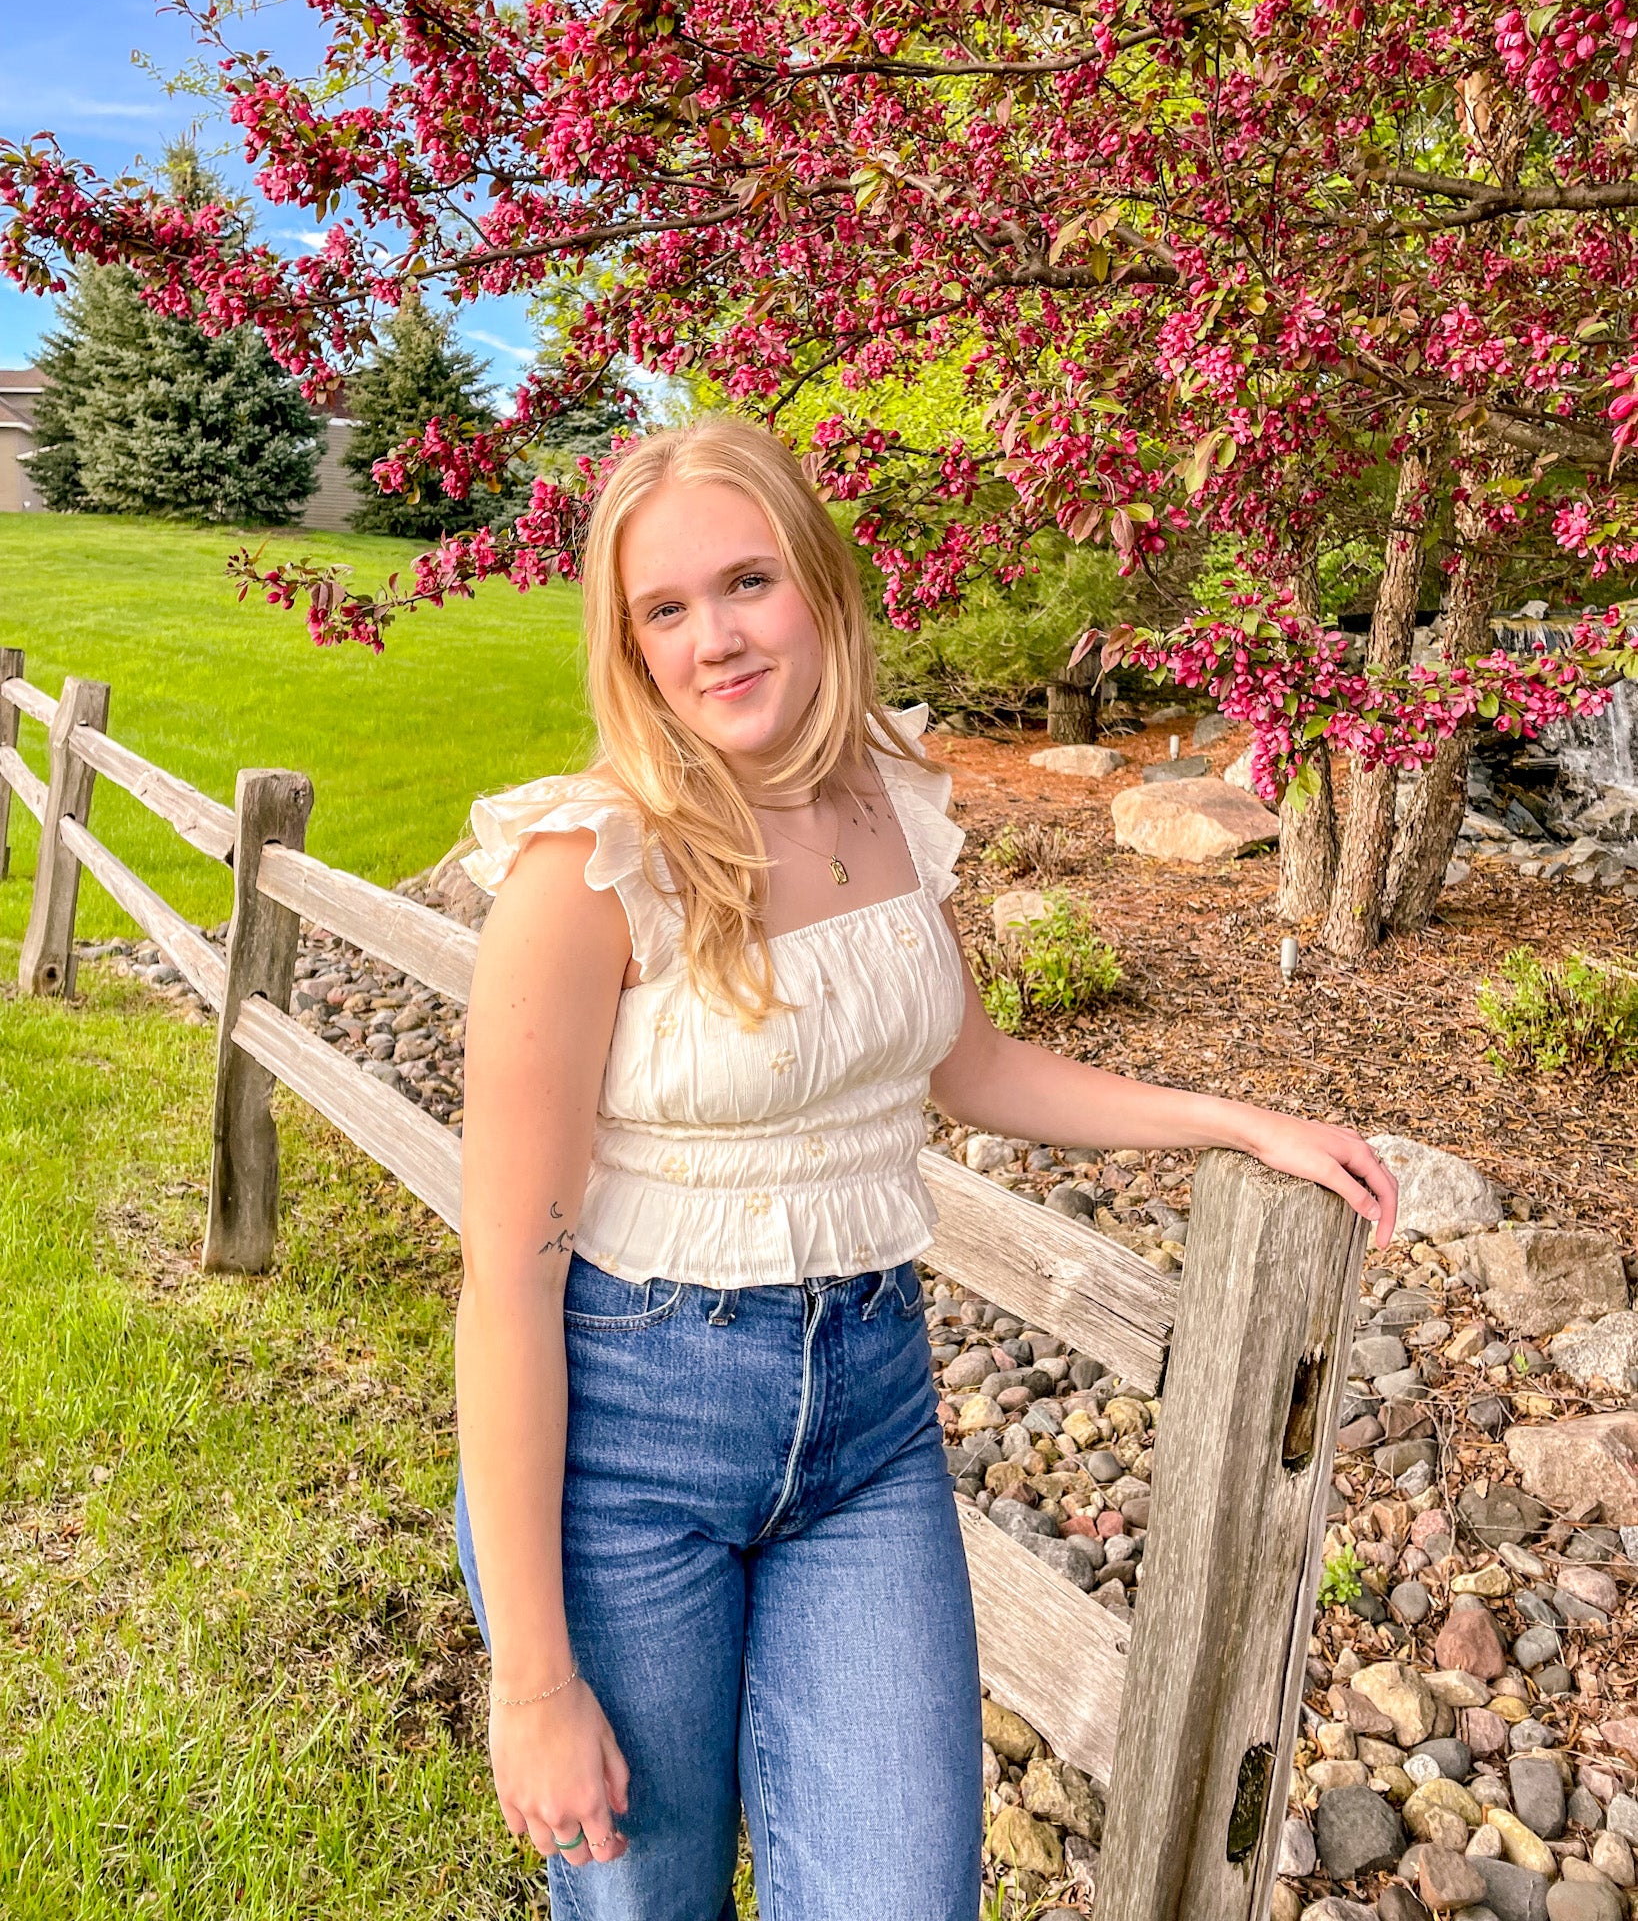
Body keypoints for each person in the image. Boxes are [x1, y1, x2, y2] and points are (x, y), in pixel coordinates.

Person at [451, 417, 1397, 1921]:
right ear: (625, 647)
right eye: (665, 609)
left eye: (746, 581)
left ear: (819, 585)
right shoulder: (588, 872)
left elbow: (974, 1069)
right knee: (653, 1902)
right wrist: (531, 1682)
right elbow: (505, 1272)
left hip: (867, 1427)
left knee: (901, 1893)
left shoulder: (886, 804)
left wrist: (1234, 1120)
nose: (716, 639)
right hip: (628, 1452)